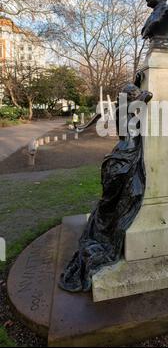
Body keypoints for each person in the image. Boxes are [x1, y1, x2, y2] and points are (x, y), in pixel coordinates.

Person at [59, 82, 153, 292]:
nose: (137, 94)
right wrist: (142, 89)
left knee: (115, 198)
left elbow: (142, 96)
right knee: (124, 196)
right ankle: (106, 225)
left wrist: (138, 81)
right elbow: (149, 95)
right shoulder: (128, 107)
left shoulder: (125, 107)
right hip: (125, 157)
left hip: (123, 154)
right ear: (129, 97)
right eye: (134, 93)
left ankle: (104, 219)